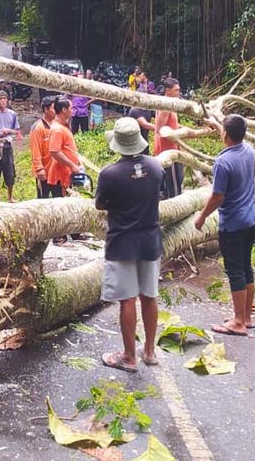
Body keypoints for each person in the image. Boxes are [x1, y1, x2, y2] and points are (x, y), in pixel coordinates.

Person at [96, 117, 165, 373]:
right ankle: (148, 351)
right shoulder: (156, 167)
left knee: (127, 299)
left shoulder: (110, 174)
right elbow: (159, 193)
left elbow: (100, 204)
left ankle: (128, 356)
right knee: (149, 295)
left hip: (122, 242)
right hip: (150, 240)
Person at [194, 115, 255, 336]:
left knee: (235, 272)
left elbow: (217, 196)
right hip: (252, 219)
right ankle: (246, 316)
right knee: (245, 268)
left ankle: (239, 322)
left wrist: (202, 217)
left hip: (234, 224)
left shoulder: (223, 162)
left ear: (225, 134)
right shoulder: (249, 150)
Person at [153, 77, 210, 199]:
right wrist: (191, 132)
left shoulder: (172, 105)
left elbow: (172, 125)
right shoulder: (165, 107)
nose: (179, 93)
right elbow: (160, 130)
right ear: (168, 90)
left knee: (177, 181)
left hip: (175, 149)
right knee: (173, 188)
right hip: (167, 152)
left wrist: (187, 130)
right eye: (176, 90)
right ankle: (174, 213)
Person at [30, 96, 57, 199]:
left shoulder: (57, 125)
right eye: (54, 108)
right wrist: (39, 169)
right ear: (46, 109)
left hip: (57, 171)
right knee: (43, 199)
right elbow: (35, 150)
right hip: (44, 171)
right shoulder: (38, 128)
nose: (56, 111)